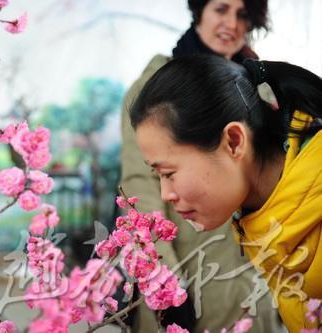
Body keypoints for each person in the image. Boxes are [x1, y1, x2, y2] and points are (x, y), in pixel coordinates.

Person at [120, 0, 284, 332]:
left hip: (259, 272)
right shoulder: (158, 85)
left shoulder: (260, 86)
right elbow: (142, 187)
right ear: (199, 12)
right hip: (193, 267)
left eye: (243, 15)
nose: (232, 23)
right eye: (221, 9)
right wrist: (164, 283)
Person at [130, 53, 322, 332]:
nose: (165, 195)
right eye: (158, 176)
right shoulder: (267, 226)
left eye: (169, 173)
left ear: (233, 142)